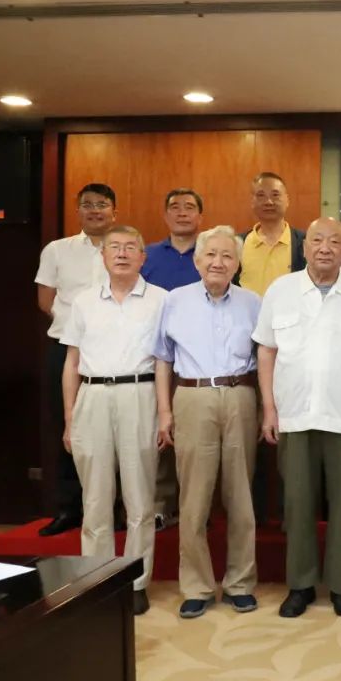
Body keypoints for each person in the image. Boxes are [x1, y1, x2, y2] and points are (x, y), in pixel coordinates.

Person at [254, 217, 341, 618]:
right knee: (297, 503)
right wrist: (269, 408)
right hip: (294, 414)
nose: (325, 248)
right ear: (304, 248)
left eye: (335, 241)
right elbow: (267, 351)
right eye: (317, 240)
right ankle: (301, 585)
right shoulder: (281, 290)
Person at [154, 225, 262, 619]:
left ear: (237, 263)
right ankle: (197, 586)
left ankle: (240, 583)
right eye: (211, 254)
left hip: (240, 395)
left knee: (241, 495)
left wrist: (265, 408)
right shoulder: (174, 301)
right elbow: (162, 359)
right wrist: (165, 412)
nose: (218, 262)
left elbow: (265, 359)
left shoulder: (253, 302)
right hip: (192, 397)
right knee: (194, 498)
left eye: (227, 255)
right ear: (197, 260)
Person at [61, 225, 167, 616]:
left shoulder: (161, 300)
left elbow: (164, 362)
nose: (121, 253)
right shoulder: (83, 301)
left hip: (140, 394)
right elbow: (71, 362)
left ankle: (137, 582)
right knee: (95, 500)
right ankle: (97, 581)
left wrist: (165, 413)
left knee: (140, 500)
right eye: (114, 247)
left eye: (130, 248)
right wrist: (70, 417)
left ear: (143, 257)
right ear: (103, 256)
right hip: (92, 395)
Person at [34, 183, 115, 536]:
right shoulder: (57, 250)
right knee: (69, 427)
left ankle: (114, 507)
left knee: (114, 428)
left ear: (114, 211)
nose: (95, 210)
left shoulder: (124, 247)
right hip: (66, 348)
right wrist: (78, 330)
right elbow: (45, 300)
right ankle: (70, 507)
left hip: (114, 353)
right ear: (78, 210)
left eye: (102, 204)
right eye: (88, 205)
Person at [238, 172, 306, 523]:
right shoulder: (237, 244)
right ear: (251, 201)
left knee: (289, 433)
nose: (268, 201)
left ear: (287, 199)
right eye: (261, 194)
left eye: (275, 194)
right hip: (244, 351)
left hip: (292, 352)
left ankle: (288, 512)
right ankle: (250, 513)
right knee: (248, 432)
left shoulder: (303, 243)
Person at [141, 187, 204, 532]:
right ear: (165, 215)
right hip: (157, 358)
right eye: (175, 207)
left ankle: (196, 510)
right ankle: (161, 505)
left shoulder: (208, 253)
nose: (182, 213)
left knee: (197, 441)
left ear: (200, 216)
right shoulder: (148, 256)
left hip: (198, 362)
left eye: (189, 207)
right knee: (162, 435)